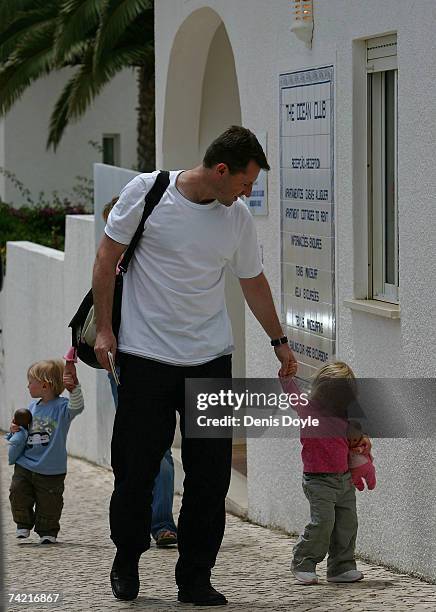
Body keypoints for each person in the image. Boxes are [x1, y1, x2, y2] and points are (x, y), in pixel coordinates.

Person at [92, 125, 297, 605]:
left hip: (210, 359)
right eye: (245, 182)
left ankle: (195, 578)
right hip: (146, 357)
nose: (248, 192)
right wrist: (105, 328)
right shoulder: (149, 192)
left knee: (210, 477)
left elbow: (254, 282)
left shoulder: (237, 217)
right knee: (136, 470)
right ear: (221, 170)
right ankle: (126, 557)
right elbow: (106, 259)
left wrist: (280, 341)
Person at [102, 198, 178, 548]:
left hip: (163, 360)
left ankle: (162, 521)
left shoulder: (158, 259)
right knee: (136, 444)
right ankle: (132, 524)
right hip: (123, 363)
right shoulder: (109, 265)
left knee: (160, 446)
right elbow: (93, 313)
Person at [280, 362, 373, 586]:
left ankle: (341, 567)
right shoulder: (308, 408)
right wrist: (285, 377)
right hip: (318, 480)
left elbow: (355, 440)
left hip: (344, 478)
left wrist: (362, 447)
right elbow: (292, 394)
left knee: (347, 523)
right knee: (323, 522)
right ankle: (303, 561)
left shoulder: (346, 415)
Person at [6, 359, 84, 544]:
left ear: (44, 385)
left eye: (30, 382)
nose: (27, 385)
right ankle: (23, 523)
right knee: (17, 492)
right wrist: (14, 429)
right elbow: (22, 431)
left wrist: (74, 388)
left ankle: (47, 530)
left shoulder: (62, 408)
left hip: (50, 468)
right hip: (25, 463)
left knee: (50, 502)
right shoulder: (32, 408)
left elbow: (78, 406)